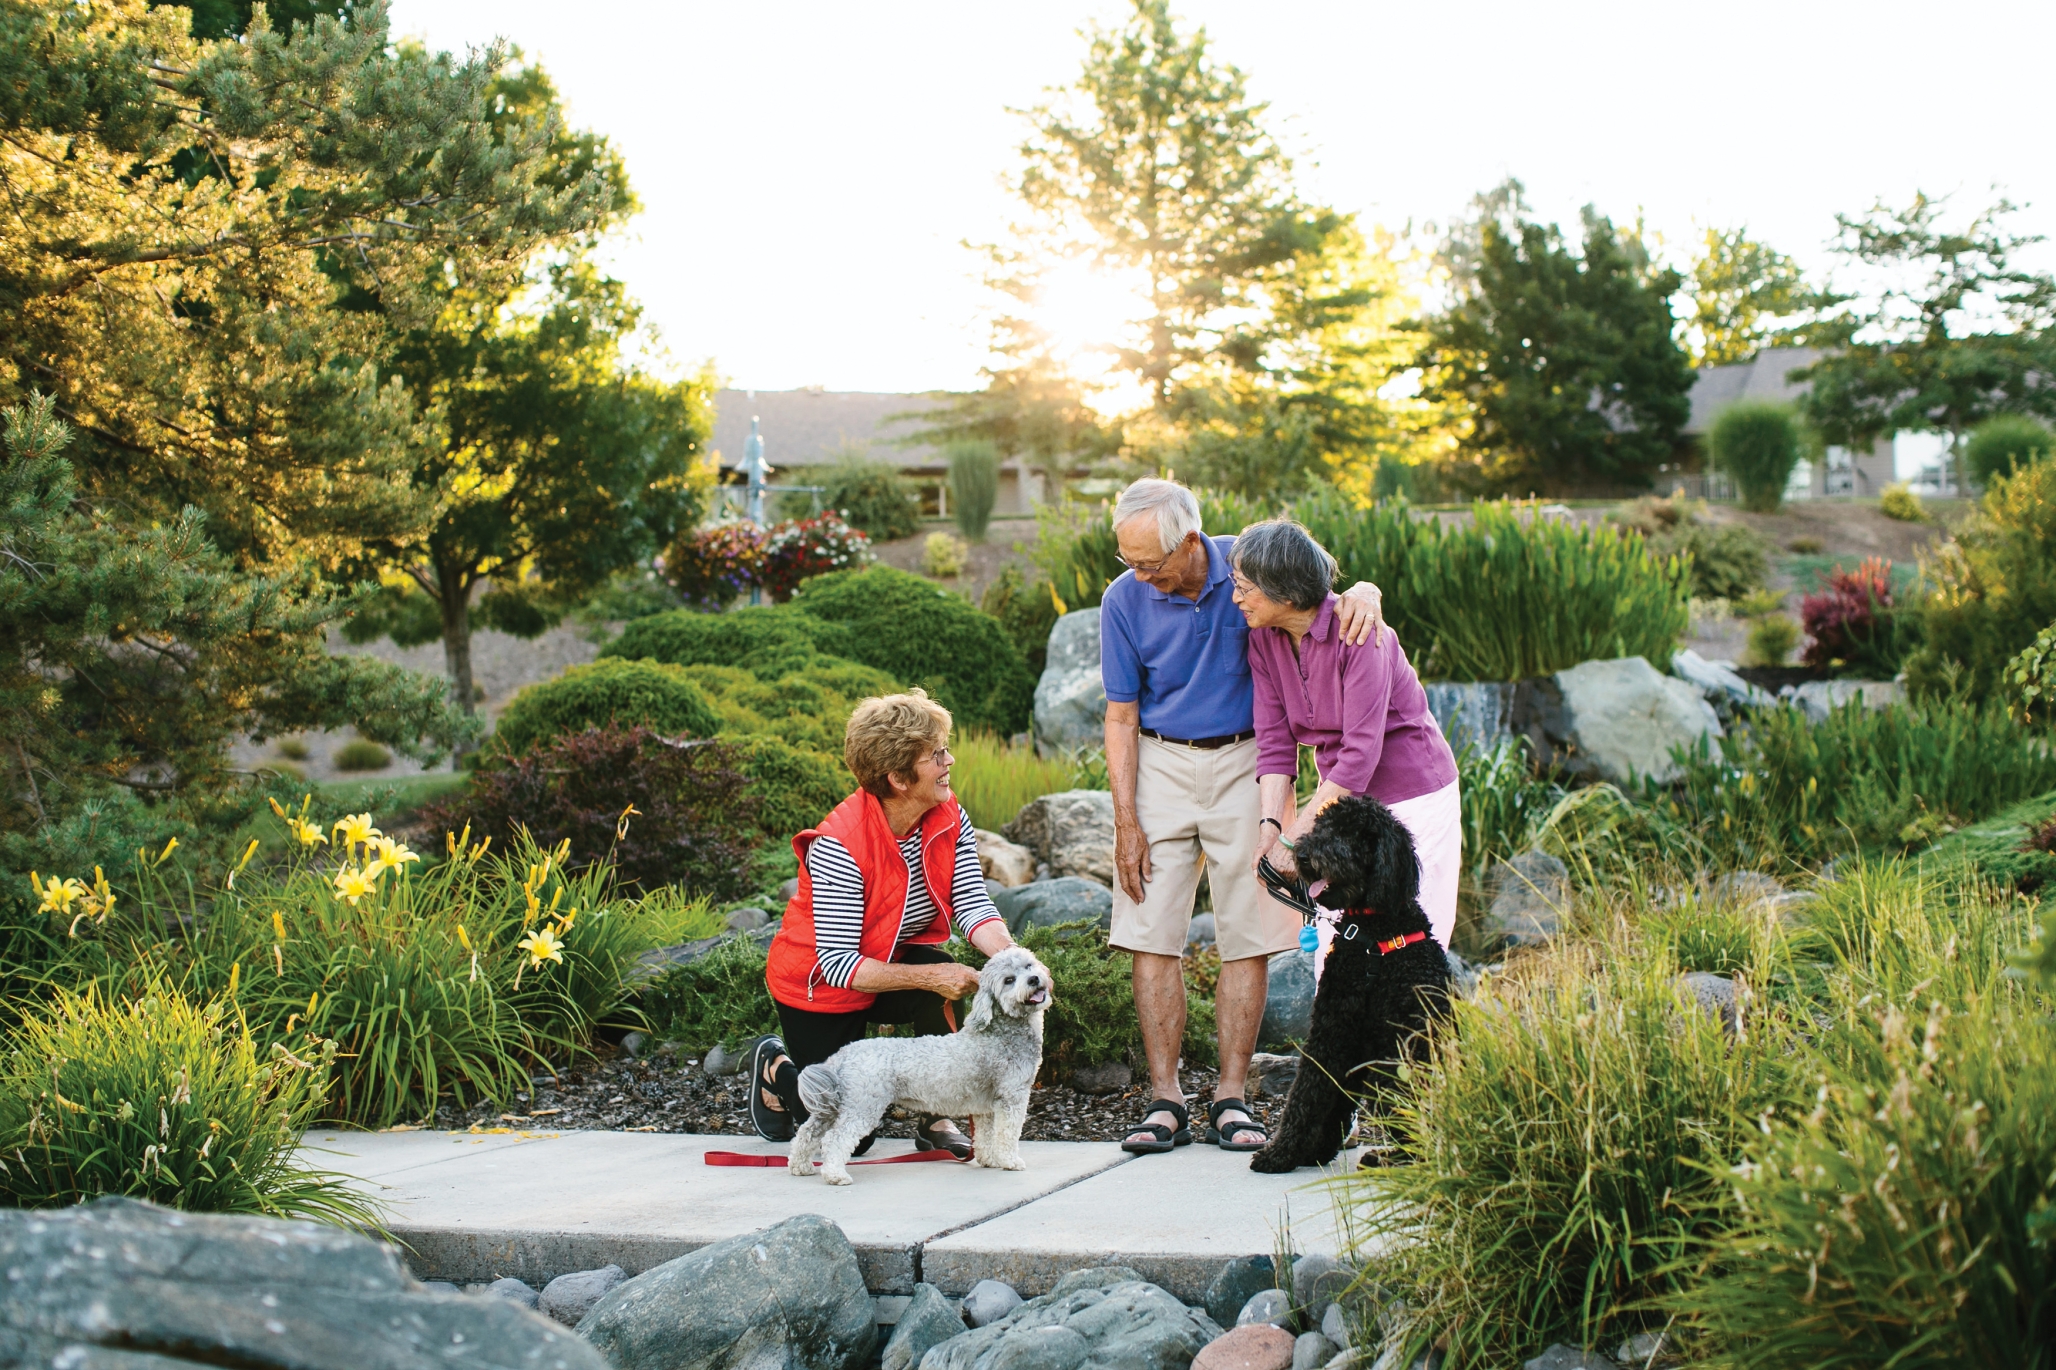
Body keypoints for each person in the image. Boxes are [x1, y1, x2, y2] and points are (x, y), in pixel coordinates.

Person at [1101, 479, 1385, 1156]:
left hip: (1251, 762)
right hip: (1160, 762)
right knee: (1151, 931)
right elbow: (1120, 715)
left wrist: (1366, 592)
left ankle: (1232, 1094)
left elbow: (1320, 595)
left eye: (1150, 563)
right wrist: (1125, 822)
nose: (1139, 576)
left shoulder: (1247, 572)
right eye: (1129, 562)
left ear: (1191, 541)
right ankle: (1165, 1098)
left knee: (1249, 933)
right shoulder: (1124, 599)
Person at [751, 689, 1016, 1157]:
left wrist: (1013, 960)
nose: (949, 761)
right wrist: (932, 976)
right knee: (849, 1132)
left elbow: (971, 902)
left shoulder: (949, 814)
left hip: (889, 959)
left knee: (939, 975)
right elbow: (837, 964)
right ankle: (776, 1067)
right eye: (936, 755)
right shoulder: (840, 844)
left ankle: (938, 1117)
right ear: (897, 777)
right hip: (821, 984)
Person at [1231, 518, 1461, 968]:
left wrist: (1297, 842)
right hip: (1343, 806)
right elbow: (1276, 744)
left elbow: (1359, 755)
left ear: (1288, 593)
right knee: (1337, 948)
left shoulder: (1360, 634)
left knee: (1410, 945)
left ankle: (1421, 1039)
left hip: (1413, 798)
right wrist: (1271, 830)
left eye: (1244, 587)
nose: (1235, 597)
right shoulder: (1262, 640)